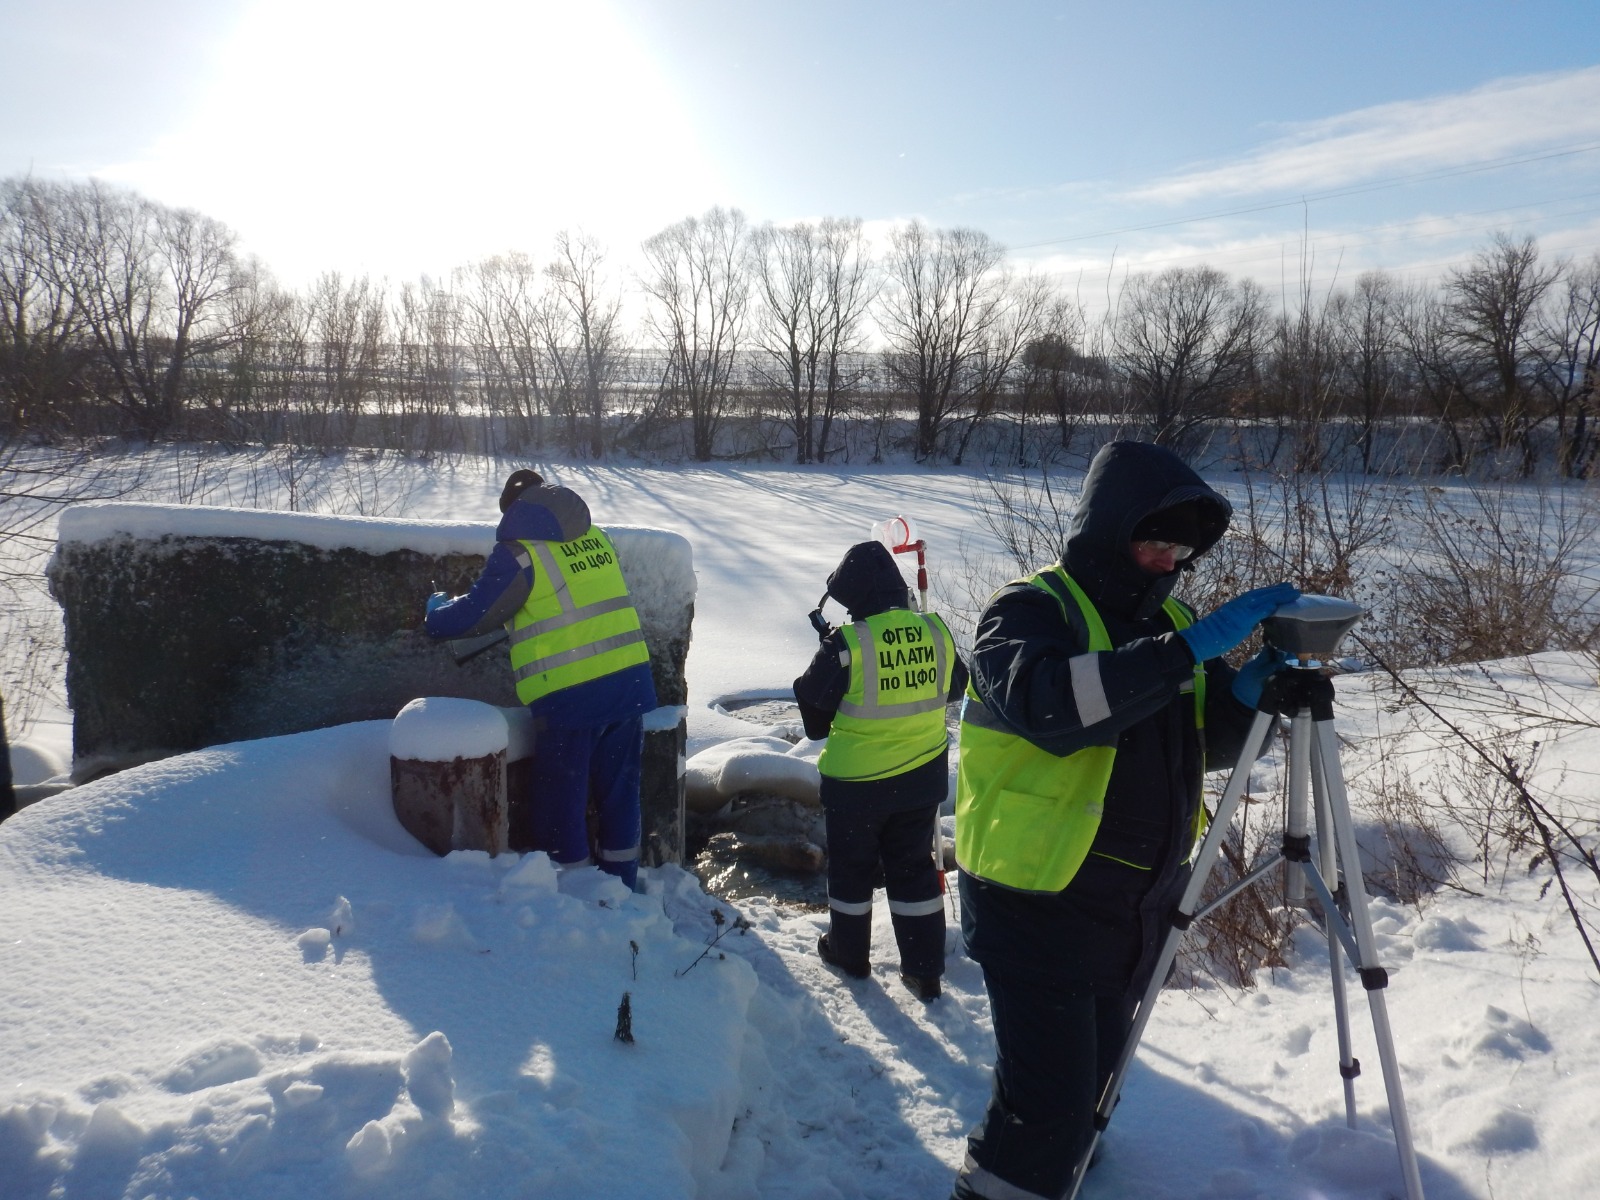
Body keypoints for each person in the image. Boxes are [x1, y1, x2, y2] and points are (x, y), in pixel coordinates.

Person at [950, 440, 1298, 1199]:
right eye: (1155, 542)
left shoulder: (1172, 616)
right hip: (1035, 899)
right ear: (1110, 530)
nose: (1170, 562)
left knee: (1095, 1078)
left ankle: (1063, 1171)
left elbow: (1197, 743)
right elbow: (1050, 707)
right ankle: (1009, 1184)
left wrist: (1249, 697)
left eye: (1181, 549)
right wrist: (1182, 652)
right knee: (1045, 1106)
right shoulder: (1029, 610)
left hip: (1129, 908)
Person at [423, 470, 657, 888]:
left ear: (514, 510)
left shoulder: (520, 554)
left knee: (559, 798)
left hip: (572, 694)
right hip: (629, 683)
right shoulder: (596, 538)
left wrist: (436, 612)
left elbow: (477, 612)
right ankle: (622, 881)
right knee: (619, 793)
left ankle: (570, 886)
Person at [794, 540, 969, 1001]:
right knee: (913, 867)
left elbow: (813, 720)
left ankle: (849, 954)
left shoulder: (846, 645)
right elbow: (956, 688)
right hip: (921, 778)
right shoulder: (936, 631)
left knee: (851, 871)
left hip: (856, 787)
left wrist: (836, 662)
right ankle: (924, 970)